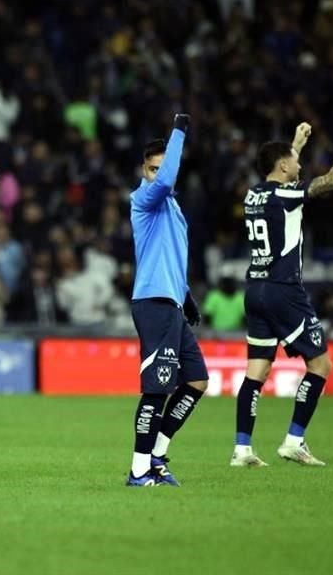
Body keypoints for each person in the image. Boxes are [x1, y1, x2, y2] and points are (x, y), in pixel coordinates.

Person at [232, 120, 333, 467]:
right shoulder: (286, 196)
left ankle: (242, 449)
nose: (301, 166)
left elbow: (280, 180)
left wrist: (295, 144)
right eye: (296, 160)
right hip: (283, 290)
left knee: (256, 372)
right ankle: (293, 441)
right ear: (283, 166)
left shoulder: (252, 195)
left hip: (255, 289)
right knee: (321, 364)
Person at [126, 114, 208, 487]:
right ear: (144, 170)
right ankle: (139, 470)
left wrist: (187, 296)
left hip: (171, 302)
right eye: (153, 168)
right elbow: (169, 179)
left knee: (196, 382)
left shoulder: (175, 211)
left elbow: (170, 258)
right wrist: (178, 132)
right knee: (156, 389)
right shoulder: (144, 199)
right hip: (152, 303)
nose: (159, 174)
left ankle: (157, 454)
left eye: (163, 168)